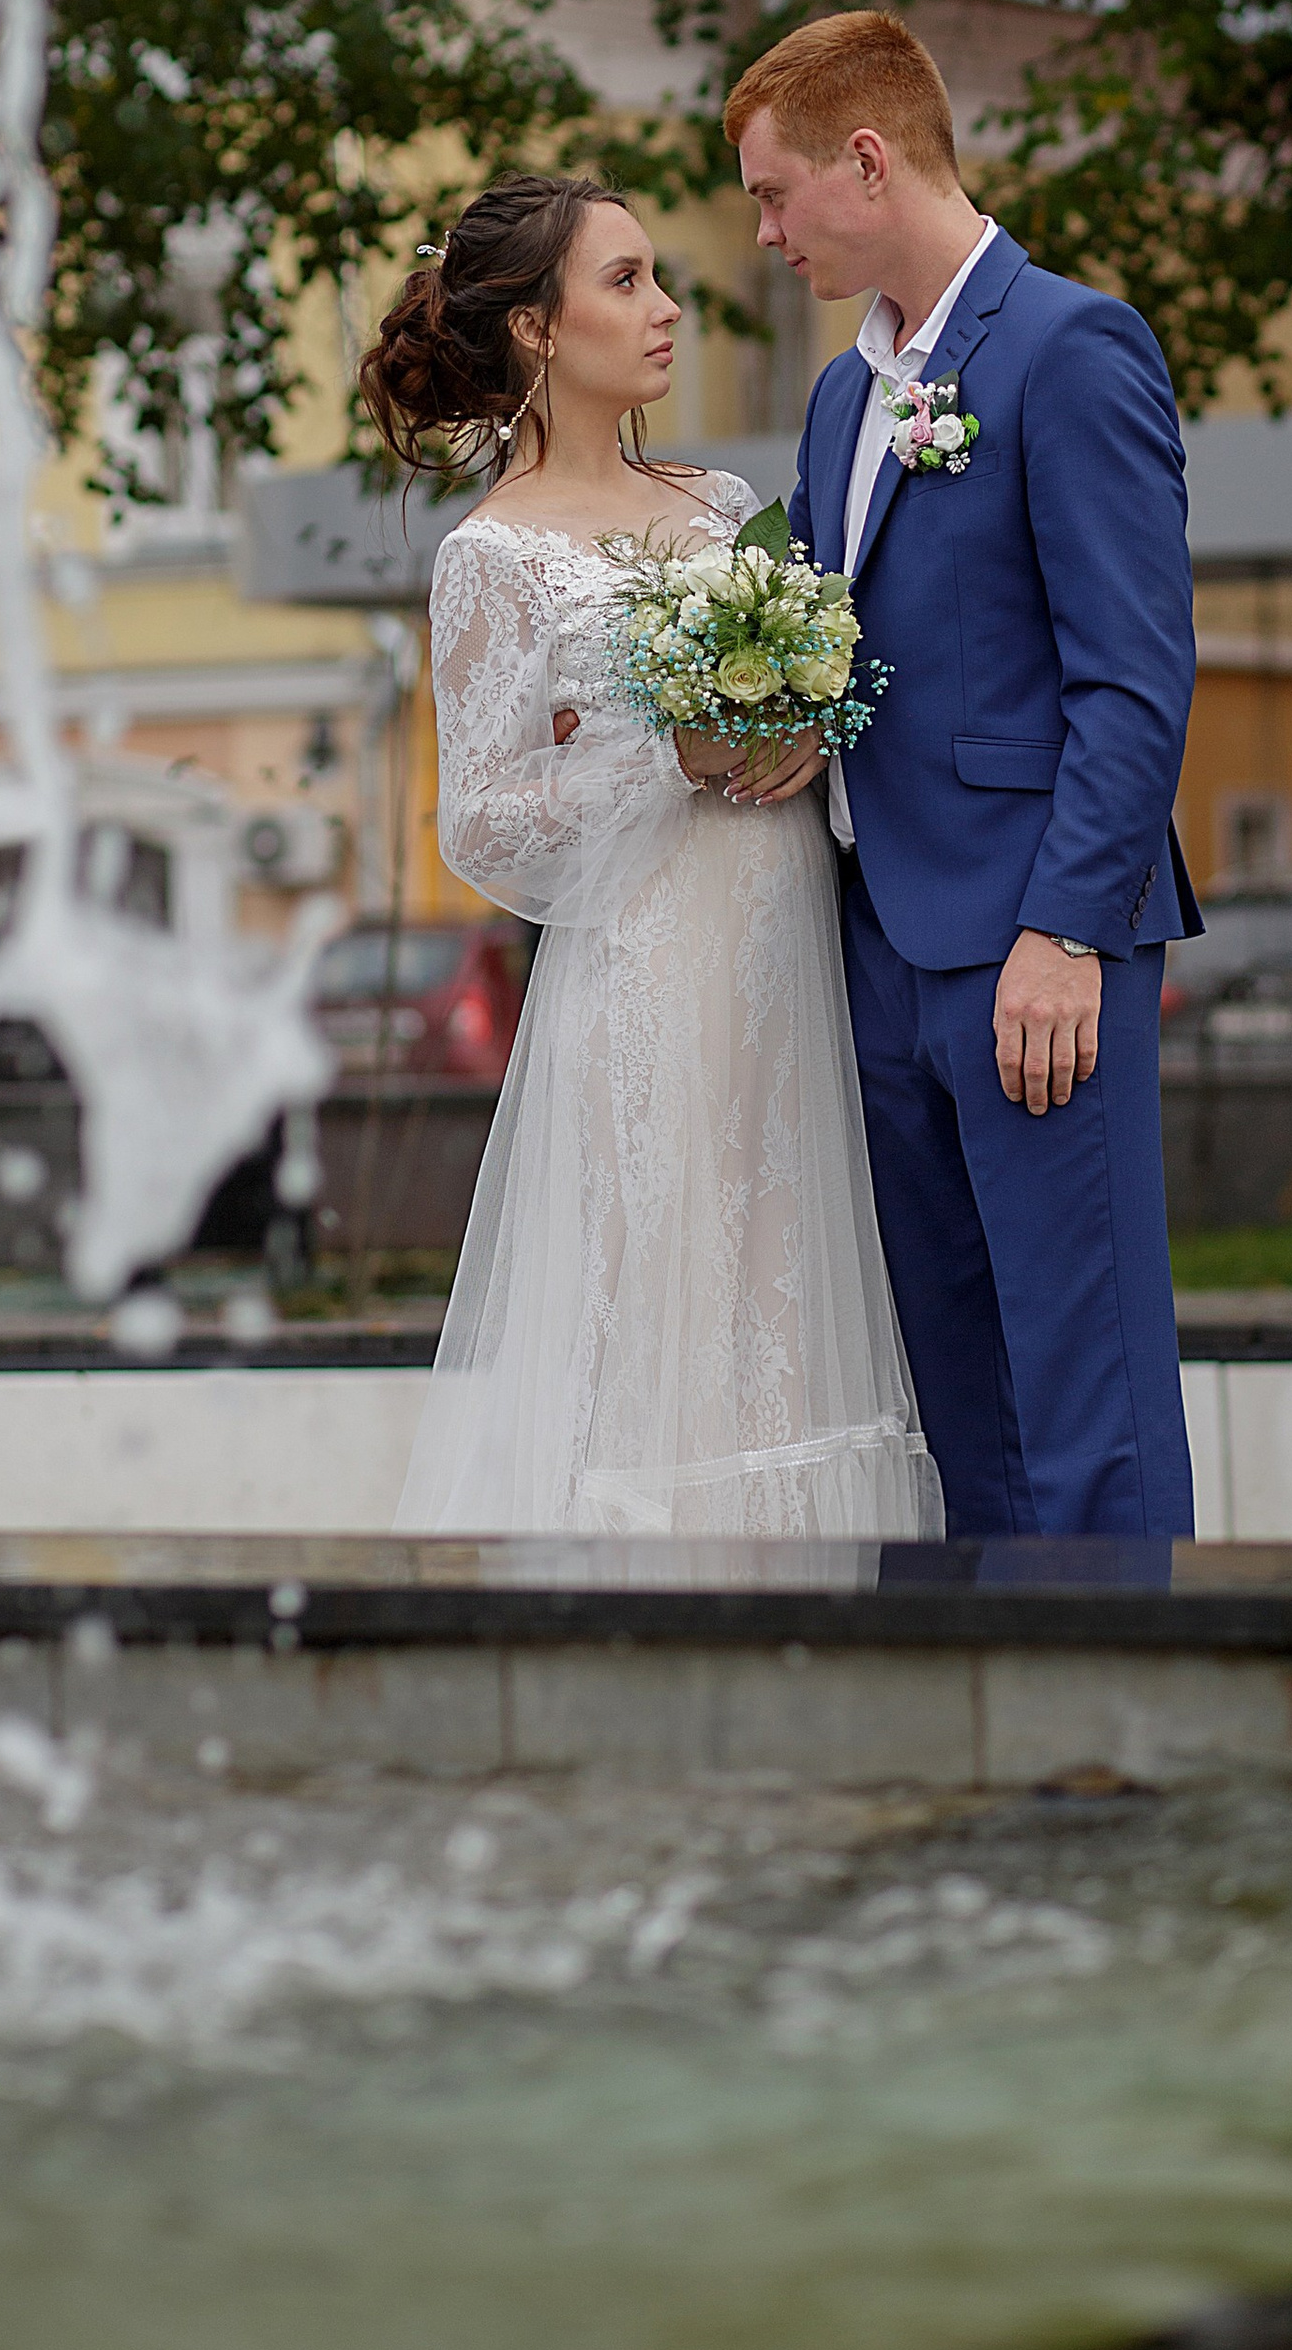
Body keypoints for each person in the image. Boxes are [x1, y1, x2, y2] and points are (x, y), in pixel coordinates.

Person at [367, 171, 942, 1540]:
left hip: (792, 957)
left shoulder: (721, 497)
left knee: (789, 1298)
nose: (669, 308)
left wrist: (809, 730)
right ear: (538, 333)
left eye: (659, 276)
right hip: (650, 976)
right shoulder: (493, 558)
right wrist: (664, 757)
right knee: (665, 1316)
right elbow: (484, 819)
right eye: (625, 283)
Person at [729, 11, 1202, 1539]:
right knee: (962, 1407)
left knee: (1089, 1394)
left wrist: (1067, 931)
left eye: (775, 192)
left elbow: (1132, 678)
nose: (765, 230)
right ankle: (1006, 1752)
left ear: (867, 161)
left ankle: (1123, 1755)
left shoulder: (1073, 347)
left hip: (1030, 948)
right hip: (878, 946)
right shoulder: (840, 396)